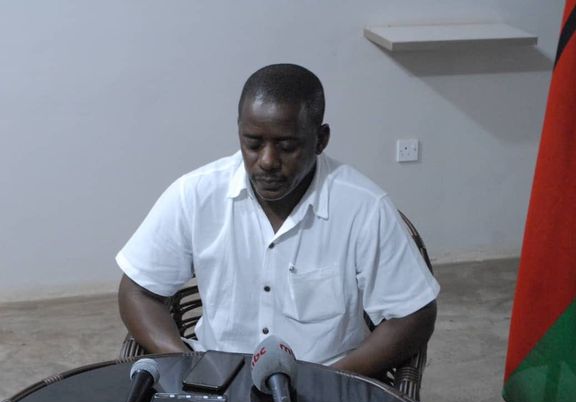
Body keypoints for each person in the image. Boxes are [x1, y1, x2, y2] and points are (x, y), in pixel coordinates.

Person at [116, 63, 439, 378]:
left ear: (320, 139)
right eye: (253, 144)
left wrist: (331, 382)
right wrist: (188, 364)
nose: (267, 161)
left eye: (286, 146)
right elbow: (138, 290)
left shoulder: (364, 207)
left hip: (324, 381)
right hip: (216, 378)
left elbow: (413, 315)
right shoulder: (195, 194)